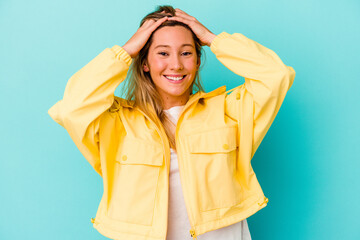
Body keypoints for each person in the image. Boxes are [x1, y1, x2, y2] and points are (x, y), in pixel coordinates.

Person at [48, 5, 295, 240]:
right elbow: (72, 108)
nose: (176, 64)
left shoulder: (228, 112)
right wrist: (126, 51)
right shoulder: (116, 122)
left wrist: (212, 38)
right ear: (144, 63)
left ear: (198, 61)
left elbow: (276, 75)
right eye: (163, 53)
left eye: (186, 53)